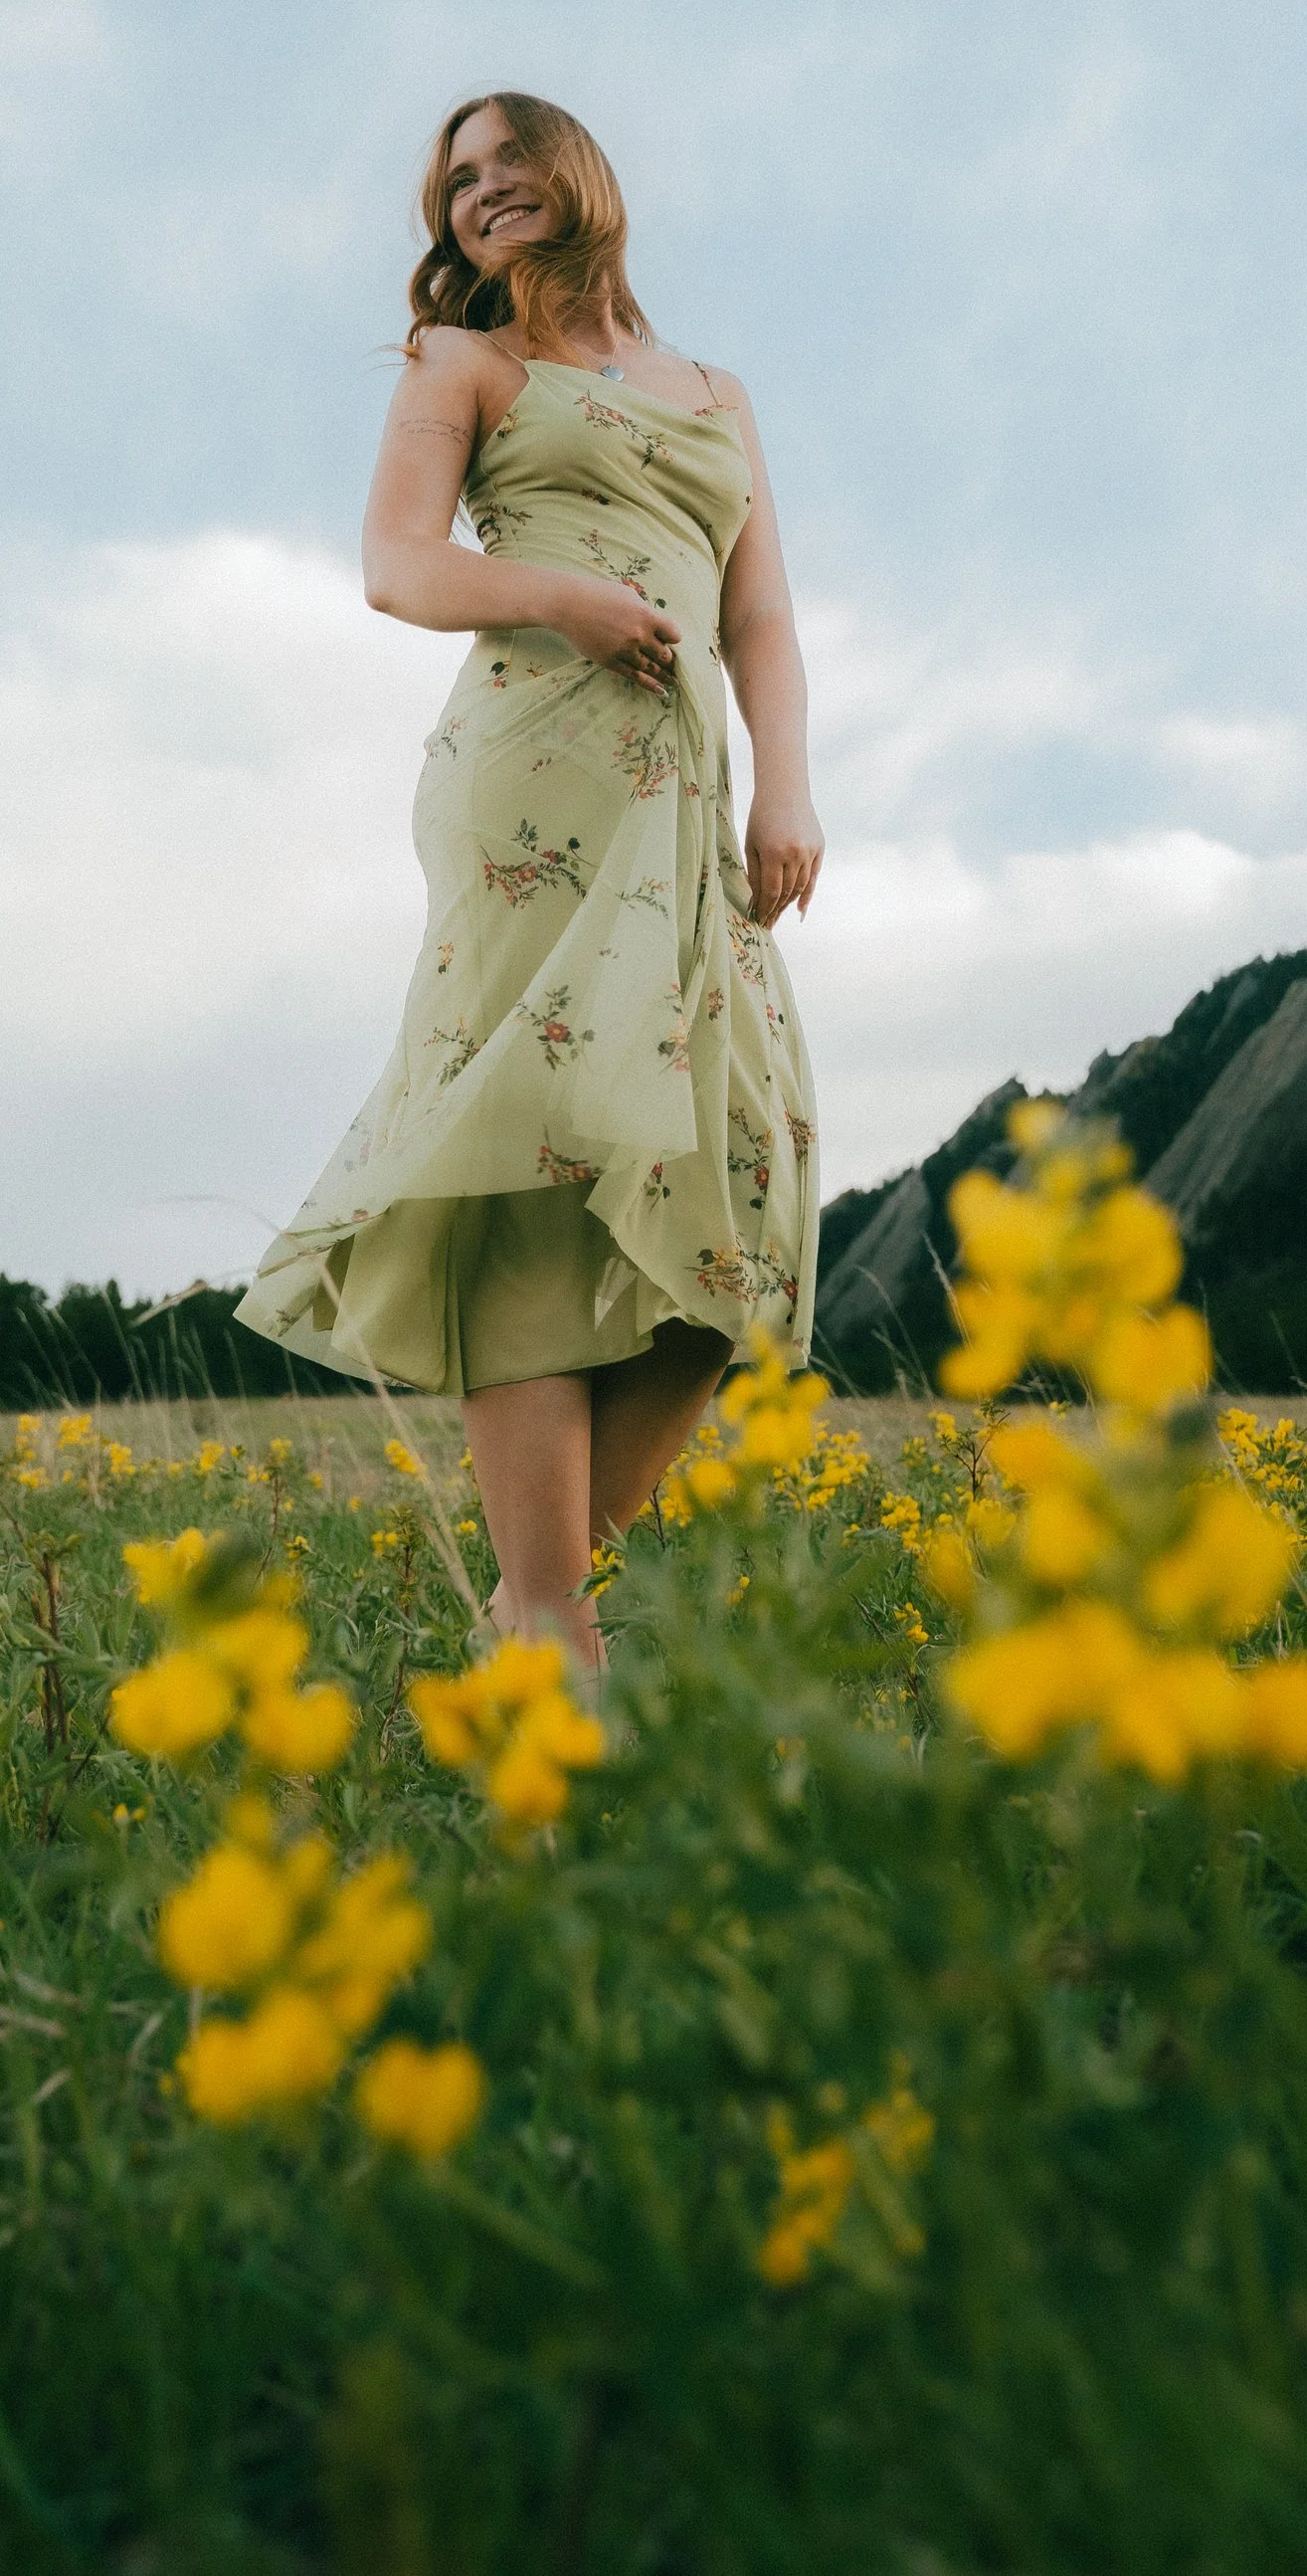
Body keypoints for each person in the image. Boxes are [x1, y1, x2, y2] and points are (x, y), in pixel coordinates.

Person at [236, 91, 824, 1668]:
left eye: (509, 163)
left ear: (582, 173)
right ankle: (554, 1624)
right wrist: (562, 596)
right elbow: (399, 562)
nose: (483, 193)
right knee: (531, 1150)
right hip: (535, 781)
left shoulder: (717, 393)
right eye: (456, 184)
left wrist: (790, 783)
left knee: (739, 1187)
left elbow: (757, 614)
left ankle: (532, 1597)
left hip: (692, 807)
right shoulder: (464, 364)